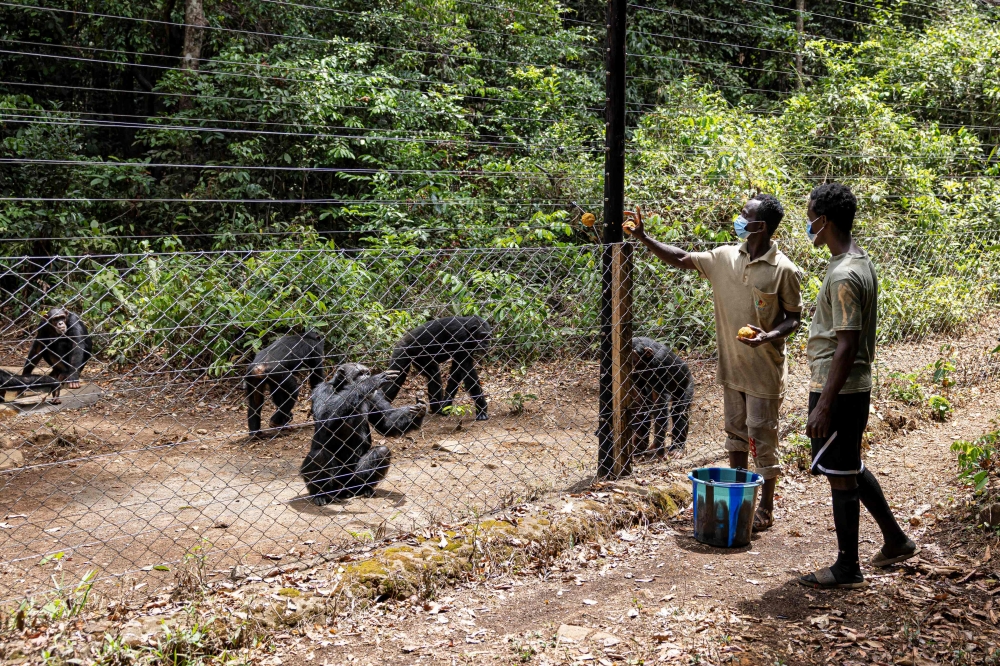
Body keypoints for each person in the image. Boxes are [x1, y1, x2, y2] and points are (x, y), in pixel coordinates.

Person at [624, 194, 802, 532]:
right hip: (733, 370)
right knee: (735, 437)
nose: (738, 218)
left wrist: (768, 336)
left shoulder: (783, 270)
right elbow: (680, 258)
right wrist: (644, 238)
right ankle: (737, 496)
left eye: (744, 215)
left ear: (760, 226)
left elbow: (793, 318)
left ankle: (765, 507)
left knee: (763, 438)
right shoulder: (723, 256)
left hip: (765, 372)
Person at [798, 183, 918, 589]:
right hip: (848, 386)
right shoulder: (857, 261)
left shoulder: (845, 274)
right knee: (849, 463)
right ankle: (896, 540)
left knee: (841, 475)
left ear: (825, 221)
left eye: (810, 215)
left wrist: (824, 404)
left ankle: (847, 567)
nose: (807, 223)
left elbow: (847, 344)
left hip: (841, 389)